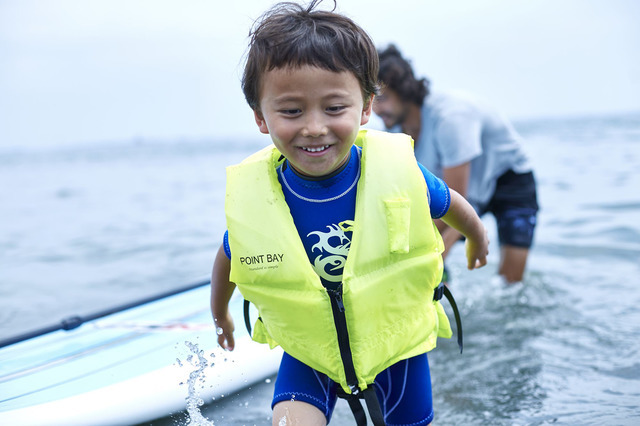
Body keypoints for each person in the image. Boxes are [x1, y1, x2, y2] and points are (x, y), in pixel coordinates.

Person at [210, 1, 489, 425]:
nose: (314, 127)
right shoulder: (263, 198)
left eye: (334, 108)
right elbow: (229, 256)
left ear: (365, 108)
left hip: (397, 347)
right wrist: (221, 315)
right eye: (291, 111)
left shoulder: (398, 174)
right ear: (260, 118)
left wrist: (478, 239)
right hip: (309, 351)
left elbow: (452, 204)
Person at [374, 44, 538, 284]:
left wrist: (439, 252)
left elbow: (456, 200)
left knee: (510, 282)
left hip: (509, 181)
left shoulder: (450, 118)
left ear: (405, 90)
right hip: (465, 189)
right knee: (426, 253)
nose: (376, 109)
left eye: (383, 98)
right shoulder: (396, 128)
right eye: (372, 99)